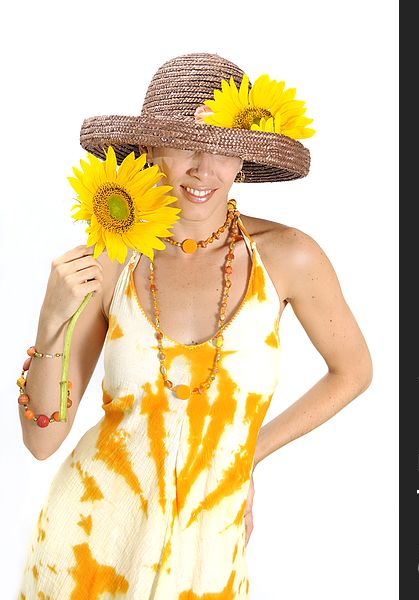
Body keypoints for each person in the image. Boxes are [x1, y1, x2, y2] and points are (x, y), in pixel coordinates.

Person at [17, 52, 372, 598]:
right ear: (150, 149)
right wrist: (50, 323)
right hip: (88, 542)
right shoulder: (113, 258)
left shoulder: (288, 256)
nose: (203, 169)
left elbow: (352, 371)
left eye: (224, 148)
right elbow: (43, 442)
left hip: (208, 551)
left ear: (243, 160)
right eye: (183, 143)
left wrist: (245, 455)